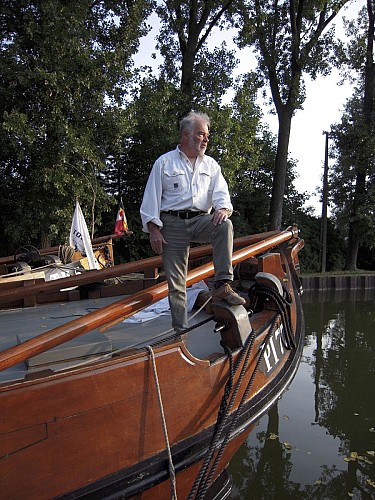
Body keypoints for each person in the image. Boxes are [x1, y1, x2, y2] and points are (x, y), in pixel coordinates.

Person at [140, 111, 245, 333]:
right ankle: (181, 332)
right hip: (172, 224)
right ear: (186, 135)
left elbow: (222, 196)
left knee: (225, 225)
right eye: (201, 134)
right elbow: (150, 199)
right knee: (177, 284)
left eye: (207, 135)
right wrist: (154, 230)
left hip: (200, 220)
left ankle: (222, 285)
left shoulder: (211, 166)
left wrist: (223, 209)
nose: (206, 139)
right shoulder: (165, 163)